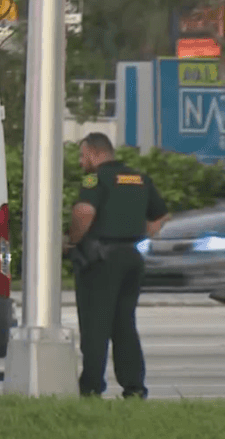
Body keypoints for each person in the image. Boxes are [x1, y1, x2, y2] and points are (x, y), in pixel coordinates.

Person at [67, 132, 169, 399]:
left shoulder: (94, 178)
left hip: (101, 260)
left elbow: (84, 211)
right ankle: (134, 388)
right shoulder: (140, 179)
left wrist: (73, 240)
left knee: (95, 325)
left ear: (92, 152)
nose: (80, 162)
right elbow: (161, 215)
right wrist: (139, 233)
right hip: (132, 258)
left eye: (81, 155)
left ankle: (91, 387)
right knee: (124, 324)